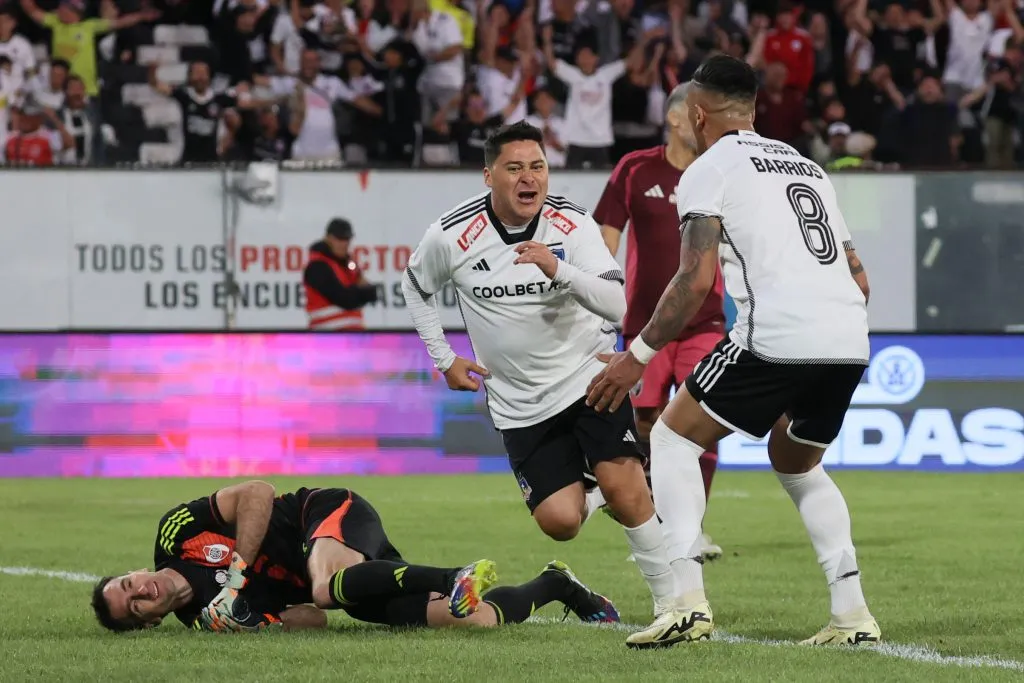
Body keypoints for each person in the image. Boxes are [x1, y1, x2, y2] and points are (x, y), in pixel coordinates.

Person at [586, 55, 880, 648]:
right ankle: (852, 615)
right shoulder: (807, 166)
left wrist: (636, 354)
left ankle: (687, 604)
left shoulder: (708, 167)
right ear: (752, 107)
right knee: (798, 462)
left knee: (671, 437)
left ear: (697, 113)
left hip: (778, 335)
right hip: (849, 338)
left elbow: (692, 280)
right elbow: (860, 278)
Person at [401, 121, 678, 618]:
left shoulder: (572, 224)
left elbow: (617, 304)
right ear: (489, 176)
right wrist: (444, 358)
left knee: (626, 490)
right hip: (519, 402)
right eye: (515, 168)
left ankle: (673, 606)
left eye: (538, 166)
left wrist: (558, 269)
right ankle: (599, 498)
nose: (530, 178)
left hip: (588, 376)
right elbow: (415, 286)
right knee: (561, 521)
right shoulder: (452, 234)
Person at [91, 481, 618, 632]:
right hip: (351, 577)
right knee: (475, 621)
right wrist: (255, 626)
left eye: (127, 585)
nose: (140, 593)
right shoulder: (204, 621)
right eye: (134, 608)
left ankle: (455, 575)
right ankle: (558, 585)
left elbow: (256, 492)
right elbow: (313, 619)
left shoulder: (175, 533)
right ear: (151, 621)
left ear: (135, 572)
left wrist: (234, 577)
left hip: (321, 516)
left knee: (324, 581)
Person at [593, 82, 726, 563]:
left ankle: (693, 530)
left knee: (702, 420)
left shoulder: (718, 173)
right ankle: (657, 530)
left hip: (705, 321)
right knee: (646, 422)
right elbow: (604, 237)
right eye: (701, 112)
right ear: (676, 118)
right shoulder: (635, 168)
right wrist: (595, 292)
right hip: (645, 325)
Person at [303, 218, 379, 330]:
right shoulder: (317, 266)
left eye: (347, 239)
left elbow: (371, 292)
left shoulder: (348, 264)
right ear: (327, 238)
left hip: (352, 336)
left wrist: (361, 293)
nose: (344, 243)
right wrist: (362, 293)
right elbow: (343, 298)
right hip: (327, 337)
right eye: (339, 239)